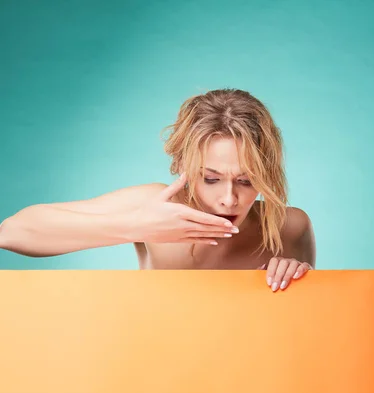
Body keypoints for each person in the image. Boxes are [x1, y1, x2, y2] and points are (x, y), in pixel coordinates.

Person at [0, 88, 316, 292]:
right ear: (184, 167)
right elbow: (12, 232)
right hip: (154, 370)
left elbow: (303, 329)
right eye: (210, 178)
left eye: (246, 181)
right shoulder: (154, 204)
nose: (229, 199)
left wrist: (299, 277)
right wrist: (135, 226)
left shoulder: (290, 227)